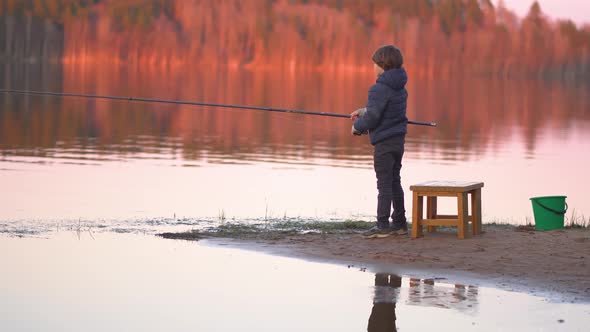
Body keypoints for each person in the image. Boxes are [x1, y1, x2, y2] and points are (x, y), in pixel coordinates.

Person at [351, 45, 408, 238]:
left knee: (383, 184)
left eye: (374, 64)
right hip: (398, 142)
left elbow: (374, 117)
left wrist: (357, 127)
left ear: (382, 65)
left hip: (383, 144)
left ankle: (382, 225)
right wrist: (363, 111)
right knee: (394, 181)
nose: (373, 68)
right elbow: (383, 110)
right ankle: (399, 223)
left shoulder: (379, 88)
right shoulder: (400, 88)